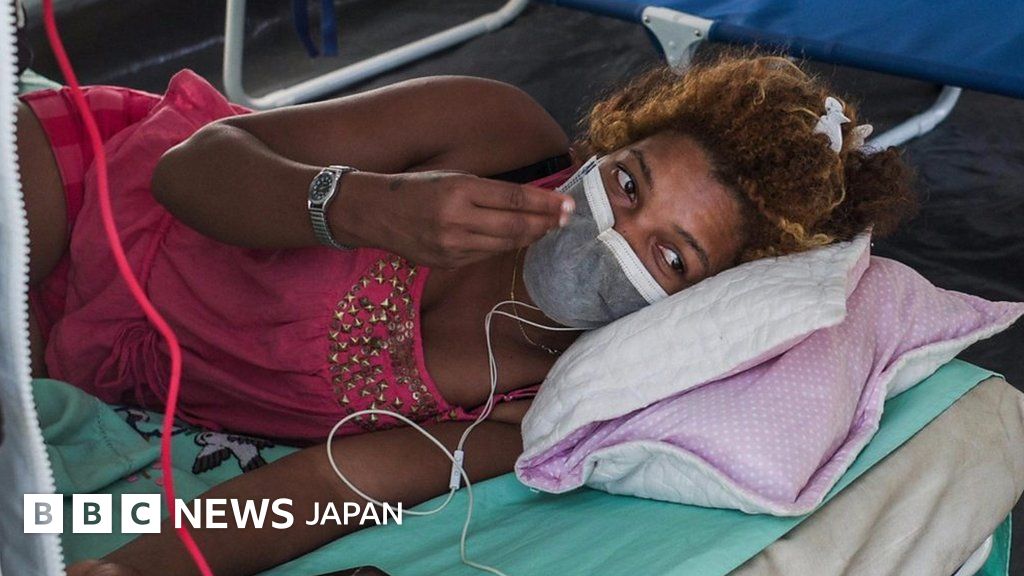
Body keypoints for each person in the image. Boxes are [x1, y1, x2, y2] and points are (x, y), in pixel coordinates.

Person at [16, 51, 914, 575]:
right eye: (627, 183)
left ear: (700, 305)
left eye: (669, 256)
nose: (612, 231)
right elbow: (187, 169)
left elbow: (320, 490)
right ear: (605, 146)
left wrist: (131, 566)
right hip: (81, 194)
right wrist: (359, 206)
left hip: (79, 360)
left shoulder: (531, 412)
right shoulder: (496, 136)